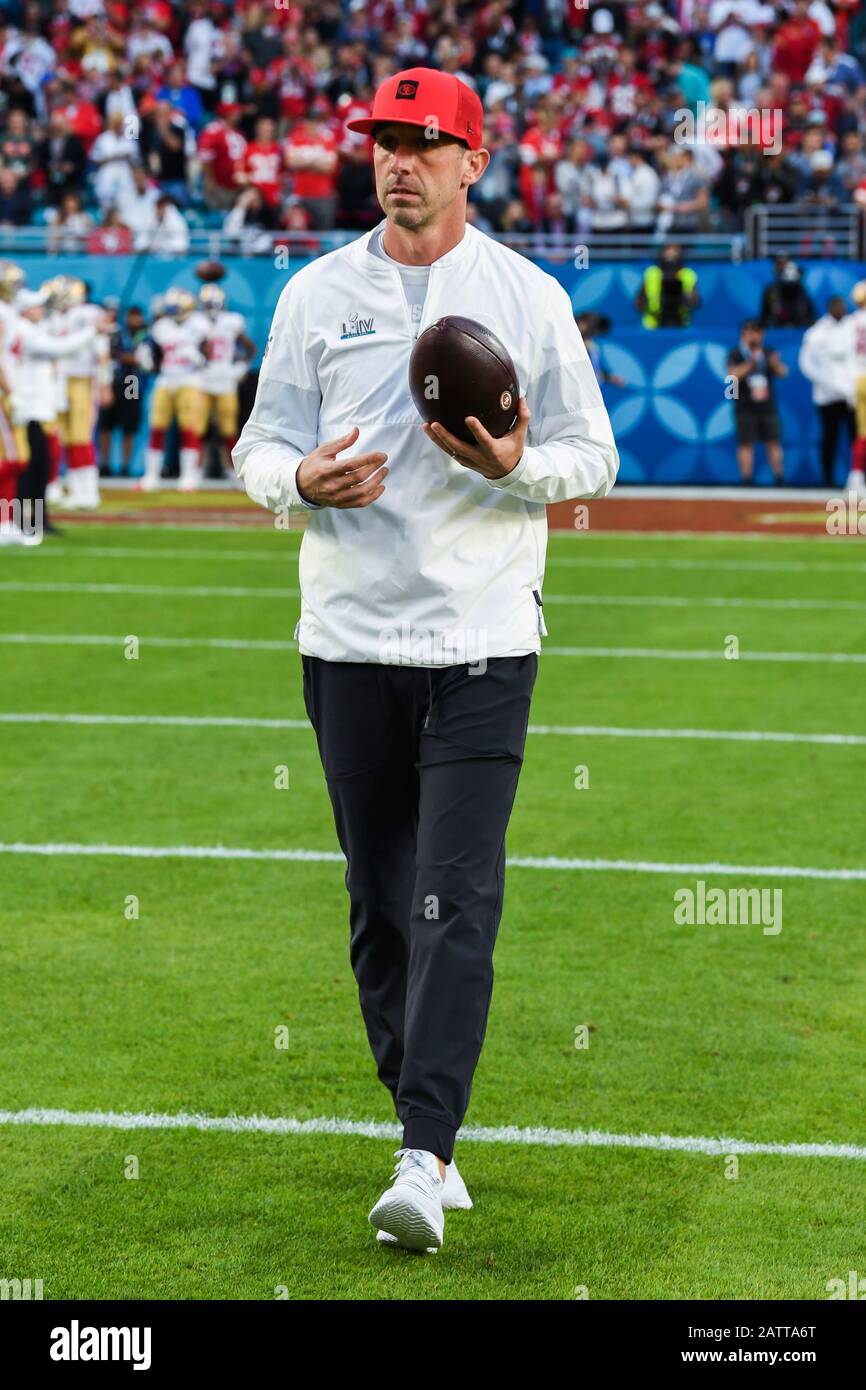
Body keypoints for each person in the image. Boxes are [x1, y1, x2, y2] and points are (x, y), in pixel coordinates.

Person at [232, 66, 618, 1255]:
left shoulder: (525, 294)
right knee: (380, 903)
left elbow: (590, 454)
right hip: (347, 638)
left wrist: (517, 470)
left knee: (456, 894)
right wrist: (295, 483)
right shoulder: (312, 292)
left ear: (472, 158)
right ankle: (422, 1113)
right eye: (383, 142)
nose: (398, 160)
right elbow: (259, 445)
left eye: (422, 142)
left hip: (481, 640)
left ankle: (422, 1151)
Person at [798, 296, 855, 487]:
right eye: (837, 306)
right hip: (827, 395)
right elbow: (806, 363)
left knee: (857, 437)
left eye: (843, 306)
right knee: (830, 437)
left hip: (852, 394)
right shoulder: (816, 333)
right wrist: (825, 382)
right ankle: (827, 479)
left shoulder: (854, 327)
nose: (841, 309)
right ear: (830, 308)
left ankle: (858, 478)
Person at [727, 319, 788, 485]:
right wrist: (750, 363)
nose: (755, 336)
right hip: (744, 405)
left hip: (767, 406)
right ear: (743, 334)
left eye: (758, 332)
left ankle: (779, 477)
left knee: (773, 442)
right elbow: (731, 378)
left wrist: (772, 363)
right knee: (746, 443)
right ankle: (746, 479)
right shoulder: (736, 354)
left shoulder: (768, 352)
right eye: (751, 332)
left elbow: (783, 372)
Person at [636, 244, 700, 329]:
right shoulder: (652, 273)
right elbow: (638, 304)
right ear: (661, 257)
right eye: (668, 257)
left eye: (675, 257)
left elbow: (695, 303)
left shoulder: (688, 275)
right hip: (653, 326)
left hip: (681, 325)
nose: (671, 262)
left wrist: (687, 297)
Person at [759, 257, 815, 329]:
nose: (790, 290)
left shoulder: (802, 291)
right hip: (776, 329)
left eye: (793, 285)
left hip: (798, 328)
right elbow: (764, 317)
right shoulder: (771, 291)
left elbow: (810, 316)